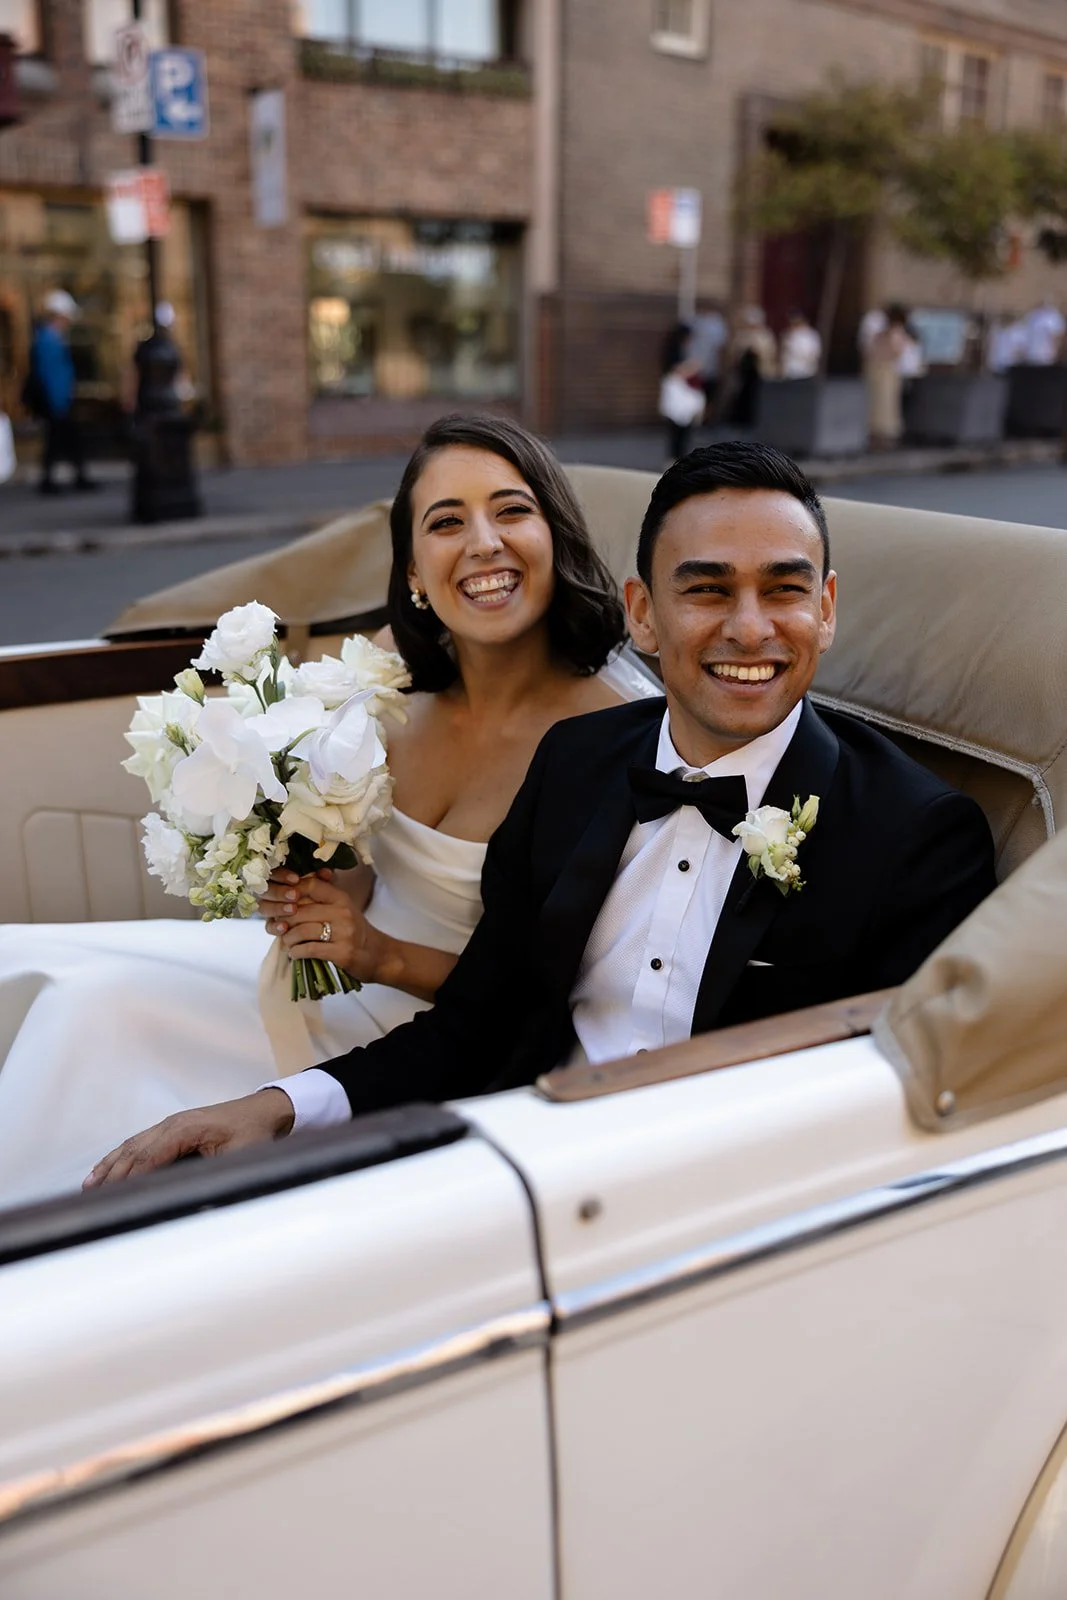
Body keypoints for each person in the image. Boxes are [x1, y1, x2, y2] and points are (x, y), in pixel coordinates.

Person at [87, 440, 997, 1184]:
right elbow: (476, 1020)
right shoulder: (575, 764)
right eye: (707, 589)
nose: (750, 628)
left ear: (826, 609)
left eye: (785, 589)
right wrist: (276, 1108)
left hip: (723, 1205)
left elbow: (893, 1121)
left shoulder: (916, 836)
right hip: (511, 1151)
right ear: (643, 613)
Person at [0, 413, 659, 1207]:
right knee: (66, 984)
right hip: (304, 980)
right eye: (446, 522)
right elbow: (354, 870)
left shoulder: (611, 736)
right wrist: (302, 871)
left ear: (556, 537)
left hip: (420, 1040)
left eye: (512, 510)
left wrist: (376, 953)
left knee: (95, 1036)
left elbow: (557, 1006)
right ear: (415, 570)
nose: (482, 542)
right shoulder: (384, 675)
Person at [26, 289, 97, 496]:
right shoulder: (48, 340)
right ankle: (61, 480)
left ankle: (72, 478)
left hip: (59, 400)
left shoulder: (50, 338)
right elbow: (50, 375)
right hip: (57, 401)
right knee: (59, 441)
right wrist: (58, 403)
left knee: (63, 441)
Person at [659, 320, 704, 464]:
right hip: (677, 393)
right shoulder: (674, 352)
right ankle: (675, 459)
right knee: (678, 428)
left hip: (679, 393)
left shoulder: (679, 350)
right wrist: (693, 366)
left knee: (680, 429)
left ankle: (677, 458)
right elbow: (676, 372)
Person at [865, 304, 910, 448]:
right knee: (883, 400)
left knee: (885, 400)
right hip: (886, 370)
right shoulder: (888, 333)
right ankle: (882, 429)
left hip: (885, 370)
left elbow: (896, 350)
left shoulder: (888, 333)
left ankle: (883, 429)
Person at [724, 307, 777, 427]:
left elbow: (768, 353)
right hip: (743, 373)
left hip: (759, 373)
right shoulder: (742, 335)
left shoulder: (764, 336)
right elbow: (734, 353)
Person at [779, 311, 822, 380]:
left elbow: (815, 353)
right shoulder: (788, 335)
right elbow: (785, 354)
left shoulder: (812, 335)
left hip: (807, 371)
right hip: (791, 371)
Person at [1022, 300, 1066, 366]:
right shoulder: (1051, 317)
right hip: (1042, 356)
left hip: (1039, 356)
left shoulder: (1032, 316)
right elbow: (1057, 338)